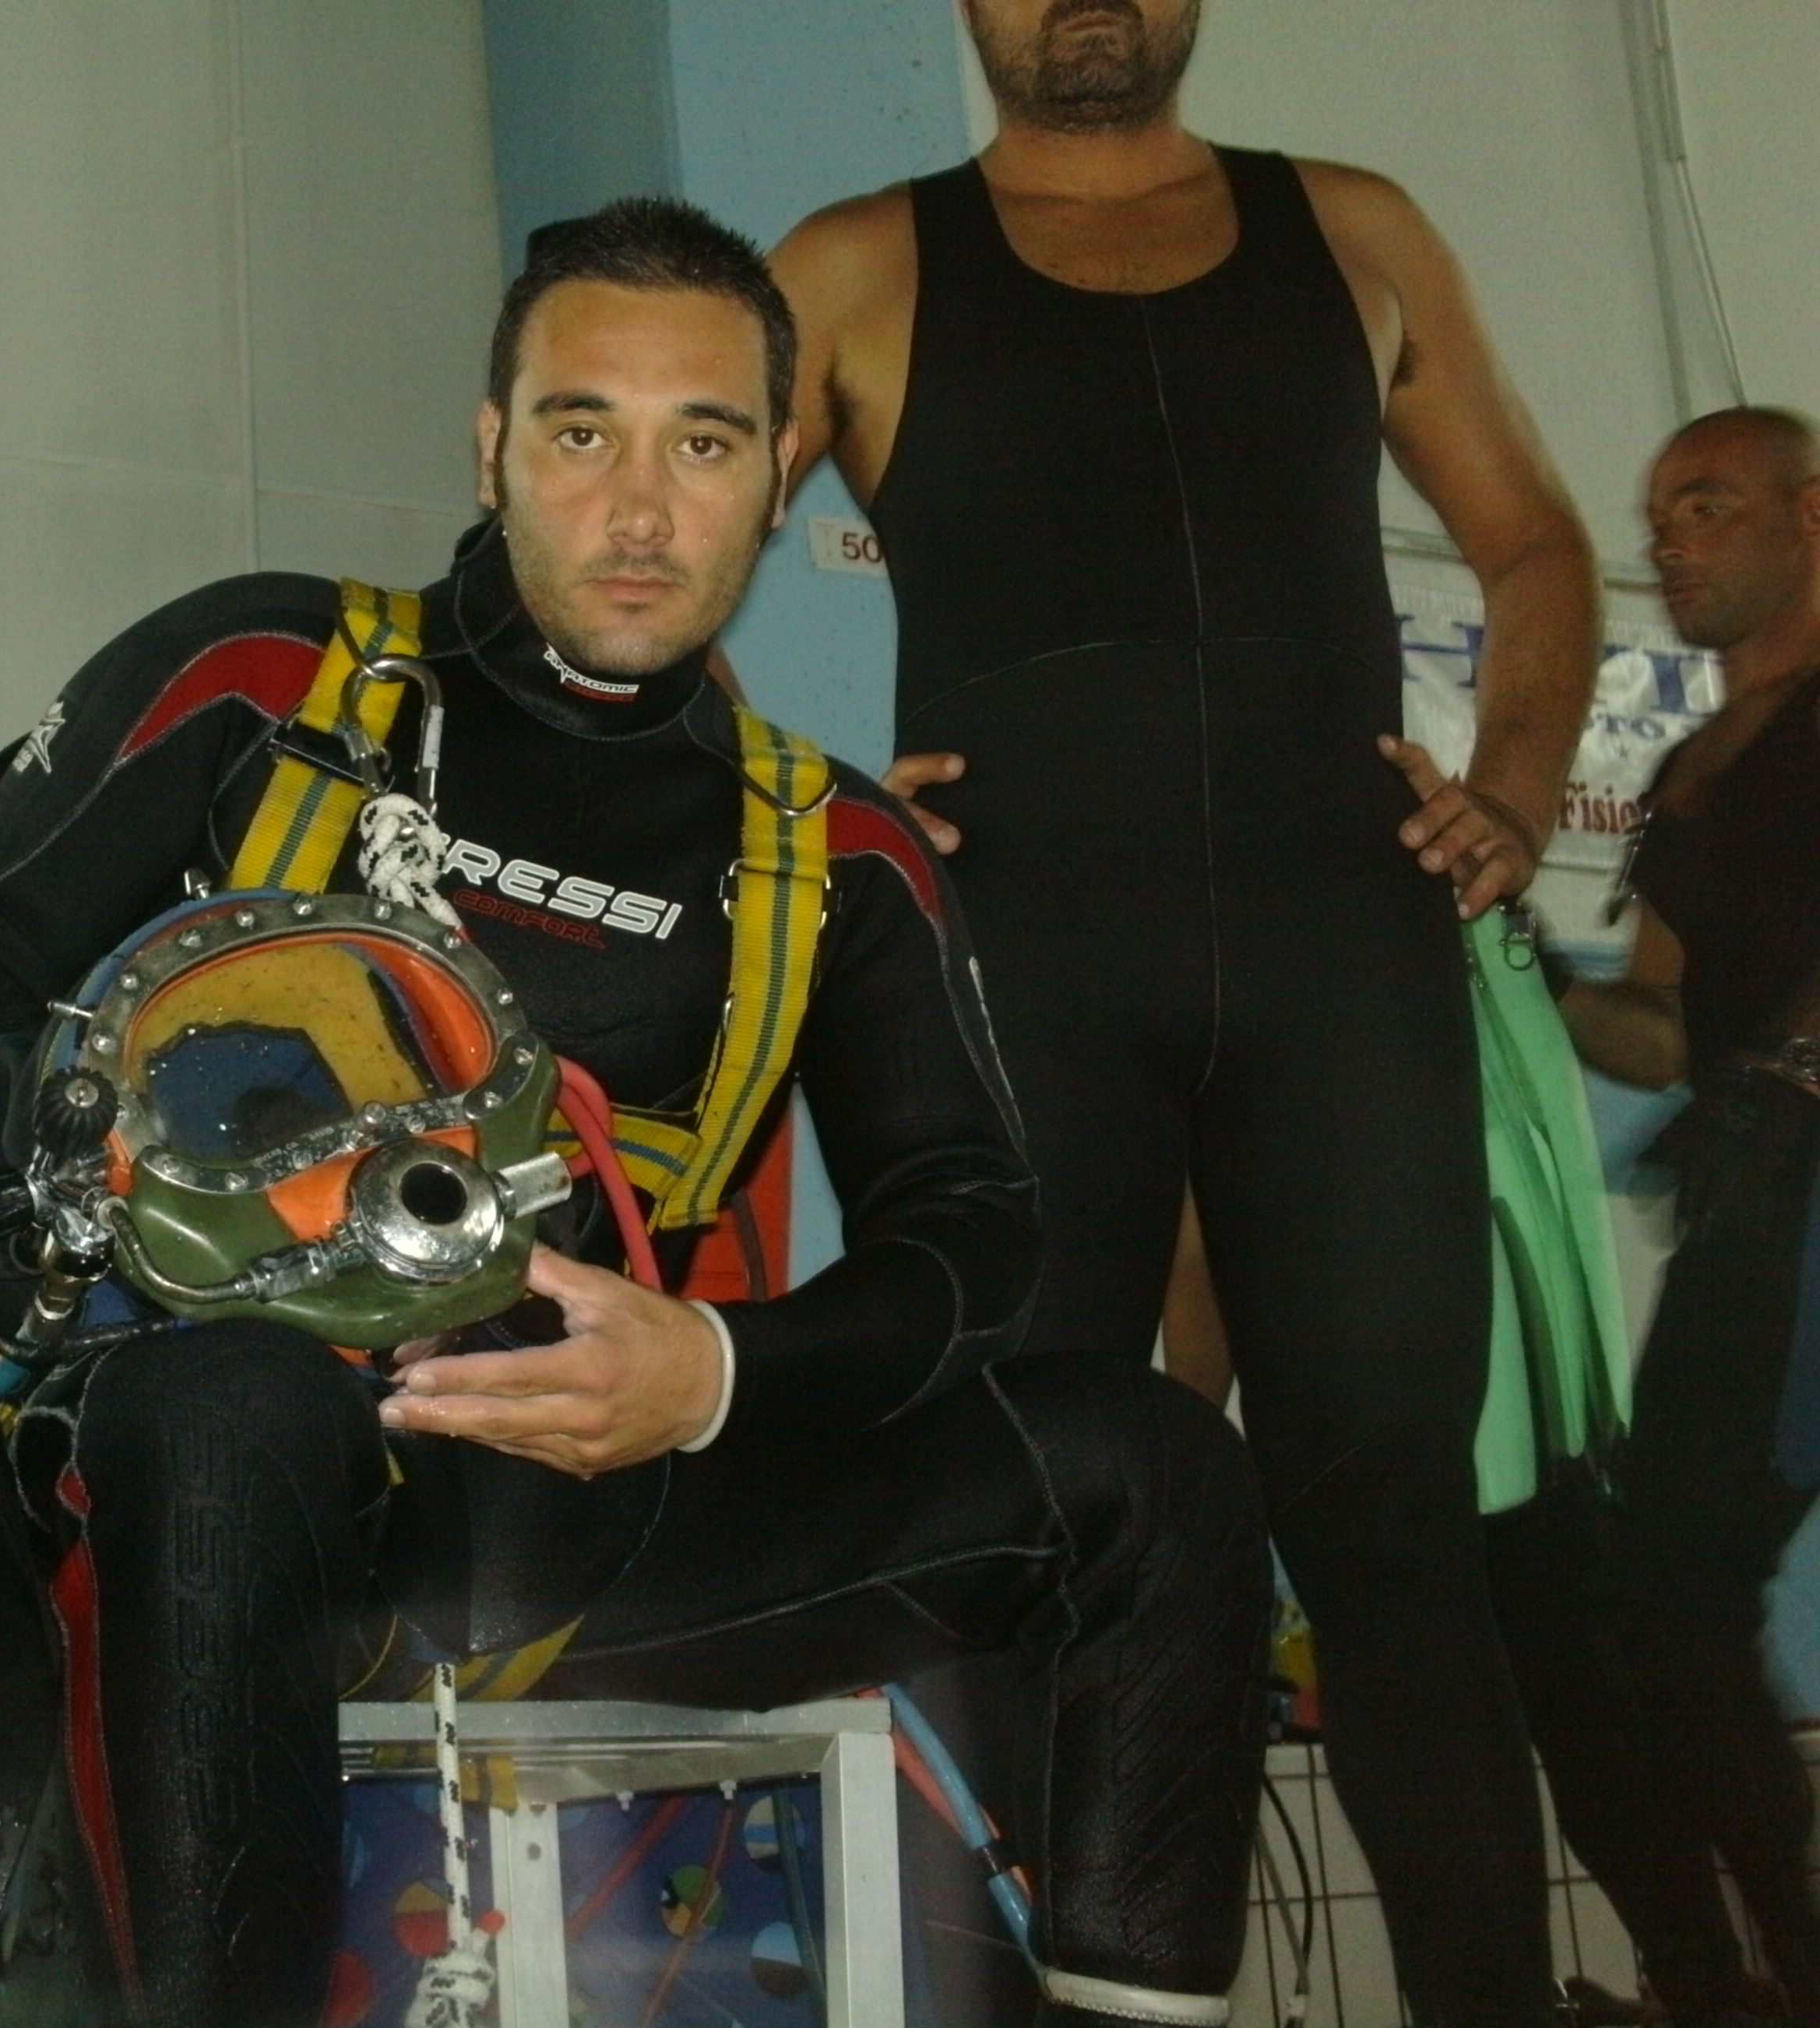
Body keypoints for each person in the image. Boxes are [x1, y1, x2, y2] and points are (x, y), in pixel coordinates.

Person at [0, 197, 1269, 2028]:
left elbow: (973, 1235)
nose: (637, 509)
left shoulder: (831, 847)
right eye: (579, 429)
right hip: (196, 1473)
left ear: (774, 475)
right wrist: (89, 1232)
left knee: (1155, 1466)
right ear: (490, 448)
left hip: (582, 1517)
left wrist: (714, 1373)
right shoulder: (265, 680)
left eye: (701, 444)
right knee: (225, 1406)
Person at [764, 2, 1603, 2019]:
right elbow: (638, 551)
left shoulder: (1355, 231)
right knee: (1021, 1519)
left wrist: (1512, 785)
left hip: (1344, 961)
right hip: (1024, 961)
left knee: (1397, 1544)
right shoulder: (854, 265)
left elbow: (1535, 541)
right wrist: (794, 816)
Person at [1561, 406, 1820, 2026]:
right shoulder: (1689, 771)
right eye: (1659, 515)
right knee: (1654, 1602)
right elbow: (1660, 1027)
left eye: (1708, 505)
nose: (1669, 539)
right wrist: (1523, 976)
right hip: (1757, 1207)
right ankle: (1750, 1980)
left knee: (1670, 1594)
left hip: (1797, 1190)